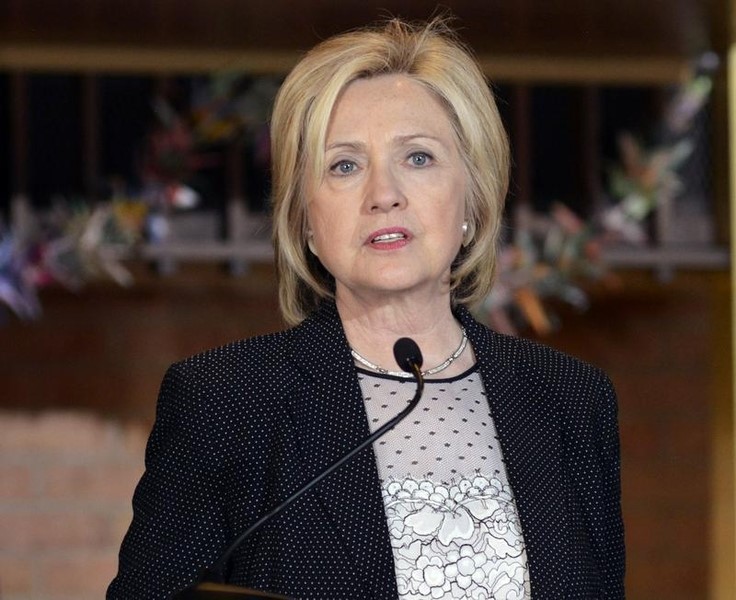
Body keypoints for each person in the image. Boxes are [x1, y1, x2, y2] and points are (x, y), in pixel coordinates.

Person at [108, 17, 625, 600]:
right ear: (304, 219)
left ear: (474, 199)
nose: (384, 193)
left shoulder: (571, 402)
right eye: (344, 165)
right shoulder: (226, 402)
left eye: (419, 158)